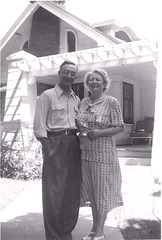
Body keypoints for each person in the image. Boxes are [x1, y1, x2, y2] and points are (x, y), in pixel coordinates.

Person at [33, 60, 81, 240]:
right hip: (55, 143)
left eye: (72, 73)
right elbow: (39, 126)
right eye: (66, 72)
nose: (69, 75)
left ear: (75, 77)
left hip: (73, 143)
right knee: (53, 192)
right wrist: (48, 148)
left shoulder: (77, 99)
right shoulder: (47, 95)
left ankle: (65, 232)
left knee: (71, 190)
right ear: (59, 73)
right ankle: (53, 236)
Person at [76, 68, 124, 240]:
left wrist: (100, 133)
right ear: (87, 84)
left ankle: (100, 232)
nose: (94, 82)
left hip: (103, 155)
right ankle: (94, 228)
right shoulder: (83, 102)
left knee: (102, 193)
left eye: (98, 80)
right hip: (85, 154)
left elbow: (120, 127)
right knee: (92, 193)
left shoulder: (111, 102)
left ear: (104, 84)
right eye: (91, 80)